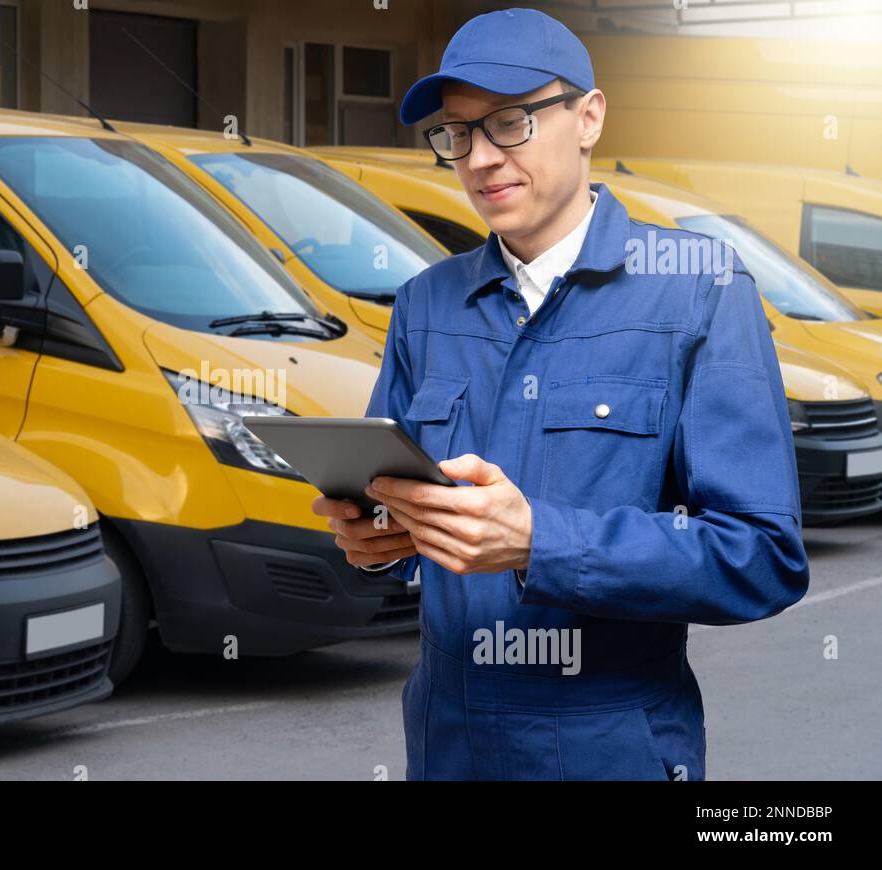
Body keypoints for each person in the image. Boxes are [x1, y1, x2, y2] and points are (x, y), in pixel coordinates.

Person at [312, 7, 808, 780]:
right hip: (449, 746)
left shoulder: (697, 289)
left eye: (510, 122)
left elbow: (763, 557)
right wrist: (378, 541)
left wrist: (542, 543)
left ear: (589, 117)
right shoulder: (425, 304)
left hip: (610, 750)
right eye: (457, 133)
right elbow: (405, 505)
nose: (480, 157)